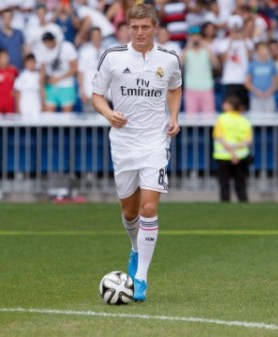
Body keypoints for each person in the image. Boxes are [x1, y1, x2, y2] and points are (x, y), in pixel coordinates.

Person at [91, 3, 182, 302]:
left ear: (155, 28)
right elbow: (96, 95)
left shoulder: (168, 59)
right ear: (128, 27)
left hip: (155, 142)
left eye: (145, 27)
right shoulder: (113, 57)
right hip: (123, 143)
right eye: (135, 27)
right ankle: (134, 247)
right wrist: (108, 113)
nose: (140, 33)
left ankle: (140, 278)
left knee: (149, 209)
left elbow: (175, 87)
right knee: (129, 212)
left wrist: (174, 117)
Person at [213, 95, 253, 202]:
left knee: (224, 183)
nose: (223, 105)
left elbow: (219, 137)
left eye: (226, 103)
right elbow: (248, 140)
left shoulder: (221, 118)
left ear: (231, 106)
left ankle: (225, 204)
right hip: (241, 156)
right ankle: (243, 202)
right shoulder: (244, 120)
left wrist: (231, 151)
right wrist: (235, 152)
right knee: (241, 182)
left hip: (223, 155)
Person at [181, 26, 218, 115]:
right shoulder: (186, 51)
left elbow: (216, 64)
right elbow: (179, 64)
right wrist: (187, 47)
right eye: (193, 36)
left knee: (209, 119)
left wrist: (206, 47)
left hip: (207, 88)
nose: (195, 38)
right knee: (191, 119)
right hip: (191, 89)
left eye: (197, 36)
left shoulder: (207, 50)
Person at [37, 31, 78, 113]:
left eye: (48, 42)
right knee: (49, 117)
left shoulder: (66, 47)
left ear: (53, 40)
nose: (47, 45)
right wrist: (42, 90)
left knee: (67, 117)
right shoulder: (43, 50)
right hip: (50, 87)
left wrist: (58, 78)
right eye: (45, 43)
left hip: (66, 86)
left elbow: (74, 68)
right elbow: (42, 72)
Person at [245, 41, 278, 113]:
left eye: (266, 49)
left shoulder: (271, 64)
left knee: (270, 118)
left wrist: (269, 92)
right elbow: (247, 82)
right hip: (255, 97)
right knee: (256, 118)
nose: (264, 52)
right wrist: (257, 92)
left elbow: (275, 81)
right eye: (262, 49)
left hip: (269, 96)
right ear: (257, 51)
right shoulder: (252, 65)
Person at [77, 27, 104, 113]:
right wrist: (82, 90)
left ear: (101, 36)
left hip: (102, 94)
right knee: (88, 120)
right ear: (91, 37)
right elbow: (80, 72)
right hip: (88, 92)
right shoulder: (84, 52)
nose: (96, 38)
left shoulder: (106, 52)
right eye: (94, 36)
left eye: (98, 35)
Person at [0, 49, 19, 114]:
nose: (4, 59)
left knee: (11, 123)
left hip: (10, 103)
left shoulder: (14, 71)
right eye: (2, 57)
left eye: (6, 57)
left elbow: (19, 86)